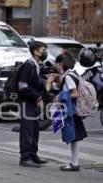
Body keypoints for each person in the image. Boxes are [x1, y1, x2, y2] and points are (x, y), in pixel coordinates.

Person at [17, 40, 54, 168]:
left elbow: (35, 82)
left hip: (33, 103)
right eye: (43, 51)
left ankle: (33, 155)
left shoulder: (36, 65)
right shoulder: (28, 65)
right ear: (36, 52)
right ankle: (25, 158)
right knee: (27, 130)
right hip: (27, 103)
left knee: (35, 130)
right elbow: (22, 86)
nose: (45, 53)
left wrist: (46, 82)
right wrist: (37, 97)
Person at [54, 51, 88, 171]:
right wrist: (59, 81)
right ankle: (74, 162)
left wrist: (60, 96)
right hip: (73, 109)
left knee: (73, 136)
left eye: (56, 64)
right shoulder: (72, 73)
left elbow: (74, 94)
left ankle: (74, 164)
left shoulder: (68, 76)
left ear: (61, 64)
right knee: (75, 137)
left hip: (71, 110)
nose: (55, 67)